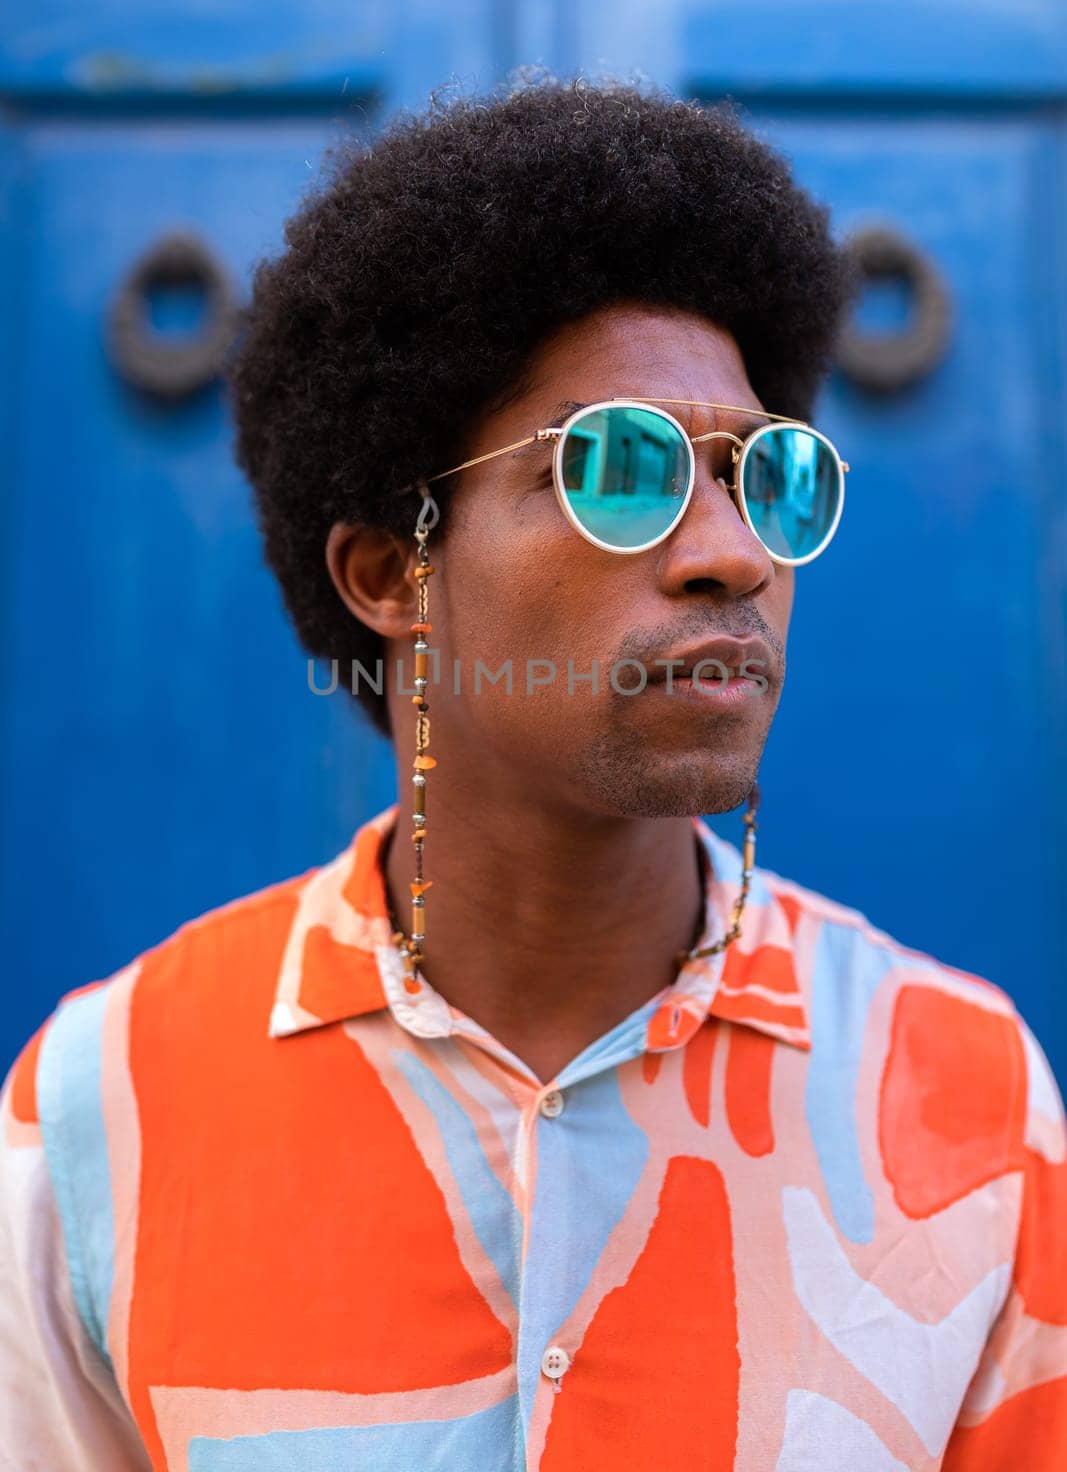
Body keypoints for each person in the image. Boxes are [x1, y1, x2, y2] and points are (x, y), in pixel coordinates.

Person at [1, 75, 1064, 1470]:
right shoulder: (105, 1110)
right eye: (618, 468)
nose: (733, 552)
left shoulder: (966, 1100)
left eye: (764, 475)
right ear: (393, 571)